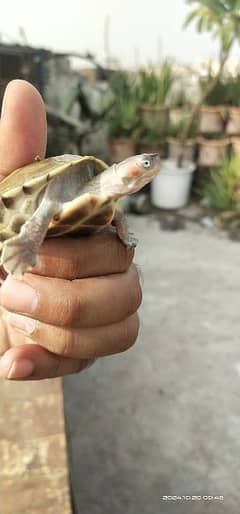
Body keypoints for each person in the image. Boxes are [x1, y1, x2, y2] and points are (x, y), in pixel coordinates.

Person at [0, 80, 142, 381]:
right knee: (48, 209)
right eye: (143, 164)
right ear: (120, 168)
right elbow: (48, 205)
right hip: (25, 213)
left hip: (20, 291)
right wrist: (27, 243)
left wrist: (123, 237)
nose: (145, 170)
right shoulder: (75, 176)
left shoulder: (106, 204)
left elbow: (113, 217)